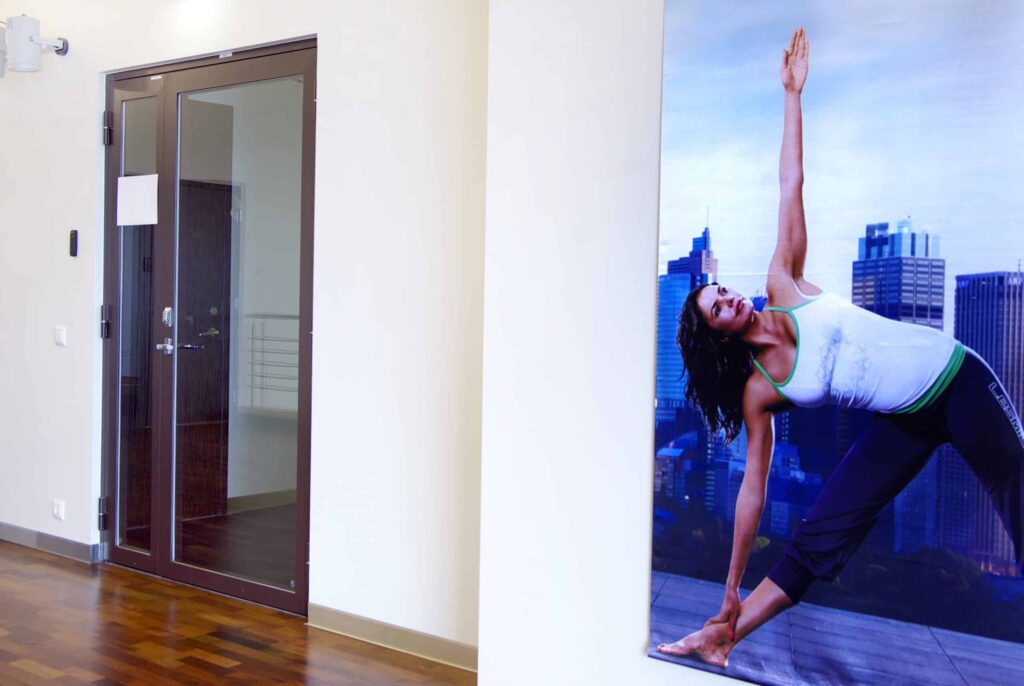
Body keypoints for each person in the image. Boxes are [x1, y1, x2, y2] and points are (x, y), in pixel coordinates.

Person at [655, 27, 1024, 668]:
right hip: (904, 418)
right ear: (716, 336)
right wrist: (730, 585)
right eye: (717, 307)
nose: (730, 298)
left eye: (724, 291)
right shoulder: (759, 390)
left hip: (956, 379)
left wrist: (792, 96)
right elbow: (752, 491)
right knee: (818, 537)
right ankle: (722, 637)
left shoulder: (784, 283)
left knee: (1020, 496)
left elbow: (790, 186)